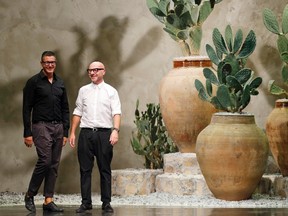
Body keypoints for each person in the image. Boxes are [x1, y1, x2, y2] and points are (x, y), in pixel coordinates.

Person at [69, 61, 121, 213]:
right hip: (85, 133)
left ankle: (106, 202)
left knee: (105, 169)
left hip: (104, 134)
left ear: (103, 71)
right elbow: (78, 111)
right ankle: (86, 202)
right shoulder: (83, 90)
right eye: (90, 70)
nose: (92, 73)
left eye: (96, 70)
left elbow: (116, 112)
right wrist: (72, 132)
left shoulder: (111, 91)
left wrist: (115, 130)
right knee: (85, 170)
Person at [22, 51, 70, 213]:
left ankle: (48, 200)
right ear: (41, 63)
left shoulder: (60, 83)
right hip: (41, 126)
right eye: (47, 62)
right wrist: (27, 133)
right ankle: (30, 194)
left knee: (54, 164)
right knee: (45, 160)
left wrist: (65, 132)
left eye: (52, 62)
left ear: (55, 64)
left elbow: (65, 108)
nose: (50, 65)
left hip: (58, 128)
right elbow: (26, 108)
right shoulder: (33, 82)